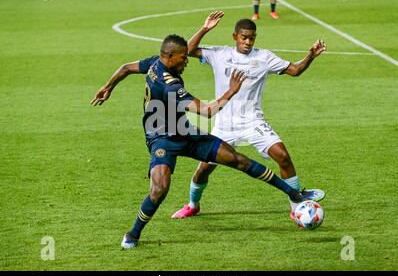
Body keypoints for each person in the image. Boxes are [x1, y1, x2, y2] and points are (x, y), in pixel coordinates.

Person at [91, 33, 318, 248]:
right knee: (159, 189)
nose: (186, 61)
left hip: (185, 132)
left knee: (237, 159)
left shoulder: (154, 62)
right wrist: (231, 91)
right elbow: (208, 111)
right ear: (170, 57)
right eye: (183, 58)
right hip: (161, 139)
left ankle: (293, 193)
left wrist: (108, 87)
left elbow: (125, 68)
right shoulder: (169, 84)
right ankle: (133, 234)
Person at [171, 12, 326, 221]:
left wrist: (310, 56)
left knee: (283, 156)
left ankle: (296, 206)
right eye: (244, 37)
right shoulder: (219, 54)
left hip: (253, 123)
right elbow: (187, 51)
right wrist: (205, 28)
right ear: (235, 36)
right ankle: (192, 205)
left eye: (252, 38)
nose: (248, 42)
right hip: (224, 126)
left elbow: (295, 70)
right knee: (203, 171)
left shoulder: (264, 58)